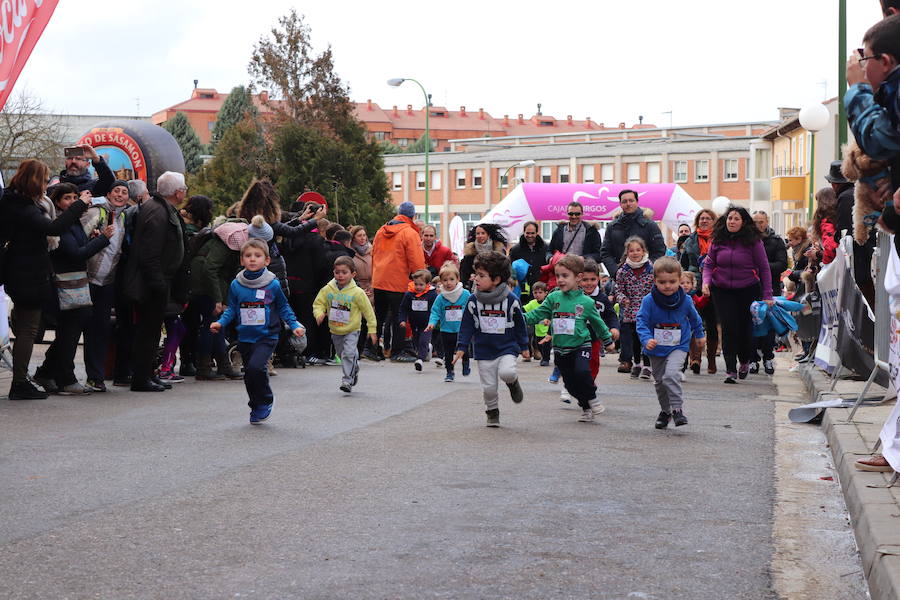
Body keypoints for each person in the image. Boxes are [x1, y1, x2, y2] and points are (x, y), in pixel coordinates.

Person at [0, 159, 92, 400]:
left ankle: (22, 379)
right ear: (35, 181)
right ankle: (19, 382)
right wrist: (79, 205)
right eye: (43, 180)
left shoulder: (11, 201)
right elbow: (53, 228)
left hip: (19, 272)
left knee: (24, 328)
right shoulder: (23, 207)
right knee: (28, 331)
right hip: (28, 275)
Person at [32, 184, 114, 395]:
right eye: (67, 198)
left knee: (69, 333)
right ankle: (65, 378)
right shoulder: (60, 222)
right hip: (65, 285)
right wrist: (103, 239)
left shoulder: (73, 221)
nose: (72, 201)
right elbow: (75, 254)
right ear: (57, 201)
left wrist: (93, 239)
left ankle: (48, 372)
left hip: (76, 283)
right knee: (68, 332)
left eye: (74, 197)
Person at [211, 239, 304, 423]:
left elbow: (284, 307)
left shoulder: (272, 284)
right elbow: (231, 308)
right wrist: (220, 322)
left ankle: (265, 400)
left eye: (257, 255)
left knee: (256, 367)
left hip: (267, 335)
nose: (252, 259)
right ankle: (255, 404)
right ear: (241, 260)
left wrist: (294, 325)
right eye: (248, 256)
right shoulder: (236, 285)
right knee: (250, 374)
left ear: (267, 260)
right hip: (245, 336)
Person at [524, 254, 614, 423]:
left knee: (582, 372)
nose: (560, 280)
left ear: (578, 277)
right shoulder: (553, 298)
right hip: (560, 348)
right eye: (558, 276)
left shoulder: (586, 302)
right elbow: (538, 314)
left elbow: (598, 322)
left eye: (565, 276)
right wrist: (519, 318)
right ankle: (586, 406)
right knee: (571, 384)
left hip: (581, 345)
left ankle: (592, 398)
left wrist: (607, 340)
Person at [122, 171, 189, 392]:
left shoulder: (160, 208)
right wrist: (159, 284)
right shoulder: (158, 212)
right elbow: (149, 253)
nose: (185, 192)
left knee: (151, 331)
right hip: (152, 283)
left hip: (159, 280)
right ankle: (141, 377)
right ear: (178, 192)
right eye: (184, 188)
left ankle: (148, 374)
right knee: (147, 331)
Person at [454, 251, 529, 427]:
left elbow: (520, 323)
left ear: (496, 280)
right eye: (476, 274)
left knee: (507, 372)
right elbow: (466, 325)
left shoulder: (511, 300)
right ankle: (492, 411)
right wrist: (461, 347)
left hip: (507, 347)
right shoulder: (473, 301)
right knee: (489, 388)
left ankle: (513, 383)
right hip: (484, 349)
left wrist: (524, 345)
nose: (476, 279)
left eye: (481, 275)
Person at [701, 206, 774, 384]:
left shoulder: (753, 241)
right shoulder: (718, 240)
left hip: (748, 288)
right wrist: (706, 282)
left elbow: (764, 268)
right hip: (722, 289)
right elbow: (709, 264)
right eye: (729, 218)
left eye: (736, 219)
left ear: (743, 222)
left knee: (744, 328)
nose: (732, 222)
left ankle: (745, 360)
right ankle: (730, 369)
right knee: (728, 327)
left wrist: (768, 294)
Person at [636, 257, 705, 429]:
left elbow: (695, 319)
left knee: (671, 375)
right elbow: (641, 322)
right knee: (659, 381)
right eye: (662, 282)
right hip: (656, 347)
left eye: (672, 281)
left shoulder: (686, 300)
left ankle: (677, 409)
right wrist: (646, 339)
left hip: (678, 345)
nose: (668, 286)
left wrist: (699, 334)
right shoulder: (648, 301)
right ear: (655, 281)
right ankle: (665, 412)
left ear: (680, 279)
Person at [81, 180, 131, 392]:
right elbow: (78, 240)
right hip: (87, 279)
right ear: (109, 194)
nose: (120, 195)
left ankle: (96, 376)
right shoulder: (96, 213)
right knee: (78, 329)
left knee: (100, 330)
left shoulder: (123, 217)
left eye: (124, 192)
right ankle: (53, 371)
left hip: (107, 282)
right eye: (116, 191)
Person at [313, 255, 377, 393]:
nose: (340, 275)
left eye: (344, 272)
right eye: (337, 272)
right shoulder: (328, 289)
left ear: (353, 274)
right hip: (335, 330)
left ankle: (347, 380)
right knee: (344, 354)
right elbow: (318, 303)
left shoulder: (358, 293)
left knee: (348, 354)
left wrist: (372, 329)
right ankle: (354, 367)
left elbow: (368, 312)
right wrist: (319, 314)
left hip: (352, 329)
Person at [371, 201, 427, 362]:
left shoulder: (382, 230)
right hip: (398, 281)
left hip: (379, 280)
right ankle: (397, 351)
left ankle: (371, 348)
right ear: (413, 216)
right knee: (400, 317)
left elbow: (374, 254)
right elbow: (416, 261)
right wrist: (421, 279)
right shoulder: (409, 233)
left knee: (378, 316)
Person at [680, 209, 719, 374]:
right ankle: (694, 359)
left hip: (715, 285)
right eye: (701, 218)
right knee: (692, 323)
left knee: (711, 324)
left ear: (713, 221)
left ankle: (711, 361)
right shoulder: (690, 240)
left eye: (708, 218)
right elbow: (683, 264)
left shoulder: (719, 239)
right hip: (693, 286)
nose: (704, 221)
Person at [750, 211, 787, 376]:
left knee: (768, 324)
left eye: (761, 222)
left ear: (767, 222)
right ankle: (752, 358)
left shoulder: (776, 240)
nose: (758, 225)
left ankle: (768, 357)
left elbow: (782, 264)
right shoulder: (746, 240)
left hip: (770, 288)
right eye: (755, 222)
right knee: (751, 324)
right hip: (750, 287)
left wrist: (762, 268)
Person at [599, 189, 666, 279]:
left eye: (631, 200)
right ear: (620, 204)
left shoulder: (650, 225)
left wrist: (647, 270)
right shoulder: (612, 226)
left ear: (637, 202)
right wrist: (615, 272)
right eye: (624, 201)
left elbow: (659, 251)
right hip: (620, 278)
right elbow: (605, 253)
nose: (628, 204)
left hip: (646, 278)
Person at [614, 236, 655, 379]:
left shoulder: (651, 269)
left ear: (643, 251)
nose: (635, 253)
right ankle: (637, 364)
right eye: (632, 251)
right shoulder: (623, 271)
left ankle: (647, 366)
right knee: (635, 339)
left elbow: (656, 287)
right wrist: (622, 299)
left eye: (638, 250)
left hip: (648, 309)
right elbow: (618, 289)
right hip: (630, 309)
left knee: (647, 338)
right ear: (627, 253)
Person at [426, 263, 471, 382]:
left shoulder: (465, 294)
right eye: (445, 280)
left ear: (458, 279)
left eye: (451, 279)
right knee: (448, 352)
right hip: (446, 330)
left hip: (462, 329)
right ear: (440, 281)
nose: (448, 283)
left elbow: (472, 308)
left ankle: (466, 362)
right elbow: (435, 311)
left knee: (464, 349)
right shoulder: (440, 297)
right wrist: (432, 323)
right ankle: (449, 372)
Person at [580, 259, 620, 383]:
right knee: (577, 362)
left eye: (592, 279)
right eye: (585, 280)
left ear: (598, 279)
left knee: (593, 361)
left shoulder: (602, 298)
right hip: (577, 337)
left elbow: (611, 315)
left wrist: (614, 328)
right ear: (578, 279)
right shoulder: (575, 296)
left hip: (594, 337)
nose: (589, 283)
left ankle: (590, 382)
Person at [398, 269, 438, 372]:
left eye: (421, 284)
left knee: (423, 340)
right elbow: (403, 308)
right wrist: (402, 320)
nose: (418, 287)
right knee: (416, 342)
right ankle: (427, 349)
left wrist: (435, 320)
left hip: (428, 323)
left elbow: (436, 308)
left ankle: (420, 359)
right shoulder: (409, 295)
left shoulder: (432, 294)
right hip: (414, 323)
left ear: (427, 284)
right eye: (416, 284)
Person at [508, 221, 548, 303]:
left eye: (532, 233)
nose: (530, 236)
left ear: (537, 232)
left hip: (540, 289)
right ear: (524, 232)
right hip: (521, 290)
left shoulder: (545, 248)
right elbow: (510, 268)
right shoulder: (515, 250)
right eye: (527, 233)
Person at [460, 223, 507, 289]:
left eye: (483, 233)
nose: (480, 236)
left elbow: (503, 269)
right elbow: (464, 272)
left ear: (488, 235)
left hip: (495, 286)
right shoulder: (469, 253)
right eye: (478, 233)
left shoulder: (499, 251)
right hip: (474, 286)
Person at [524, 282, 552, 366]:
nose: (537, 295)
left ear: (545, 293)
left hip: (547, 331)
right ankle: (544, 357)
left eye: (540, 292)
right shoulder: (532, 303)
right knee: (539, 345)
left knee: (546, 346)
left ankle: (546, 359)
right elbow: (524, 309)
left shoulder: (548, 303)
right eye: (535, 293)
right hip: (538, 331)